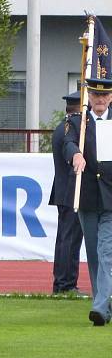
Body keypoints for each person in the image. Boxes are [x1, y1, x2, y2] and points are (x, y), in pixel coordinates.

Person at [64, 76, 112, 326]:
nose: (100, 100)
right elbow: (68, 143)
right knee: (93, 252)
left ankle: (101, 307)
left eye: (105, 95)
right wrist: (76, 155)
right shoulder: (77, 121)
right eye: (96, 95)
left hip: (110, 197)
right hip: (87, 196)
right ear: (89, 97)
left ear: (111, 97)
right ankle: (104, 299)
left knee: (106, 252)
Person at [48, 92, 84, 294]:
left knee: (65, 238)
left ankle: (62, 283)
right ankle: (65, 284)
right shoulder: (72, 130)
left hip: (65, 190)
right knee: (69, 240)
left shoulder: (62, 127)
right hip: (72, 191)